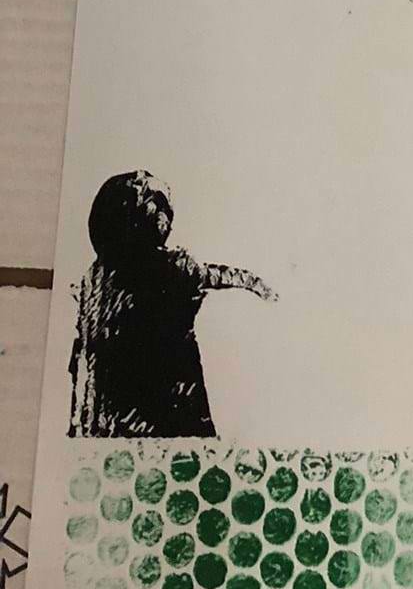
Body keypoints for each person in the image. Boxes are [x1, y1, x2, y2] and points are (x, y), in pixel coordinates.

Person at [68, 171, 276, 438]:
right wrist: (258, 286)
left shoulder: (94, 278)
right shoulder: (175, 267)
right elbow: (218, 276)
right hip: (171, 407)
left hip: (110, 420)